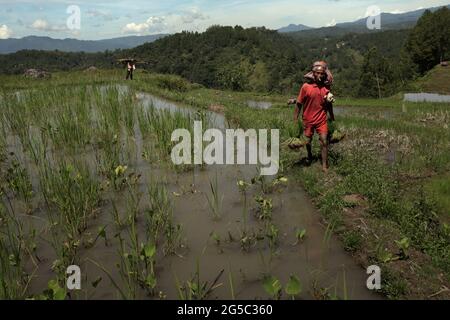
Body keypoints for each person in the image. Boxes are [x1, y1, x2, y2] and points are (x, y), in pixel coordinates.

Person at [289, 63, 335, 172]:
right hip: (308, 120)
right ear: (313, 74)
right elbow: (299, 103)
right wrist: (295, 119)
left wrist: (332, 117)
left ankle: (324, 166)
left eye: (322, 74)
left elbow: (329, 105)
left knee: (324, 141)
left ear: (324, 75)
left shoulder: (326, 88)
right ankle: (309, 154)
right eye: (317, 73)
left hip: (321, 120)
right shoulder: (306, 87)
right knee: (308, 141)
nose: (320, 75)